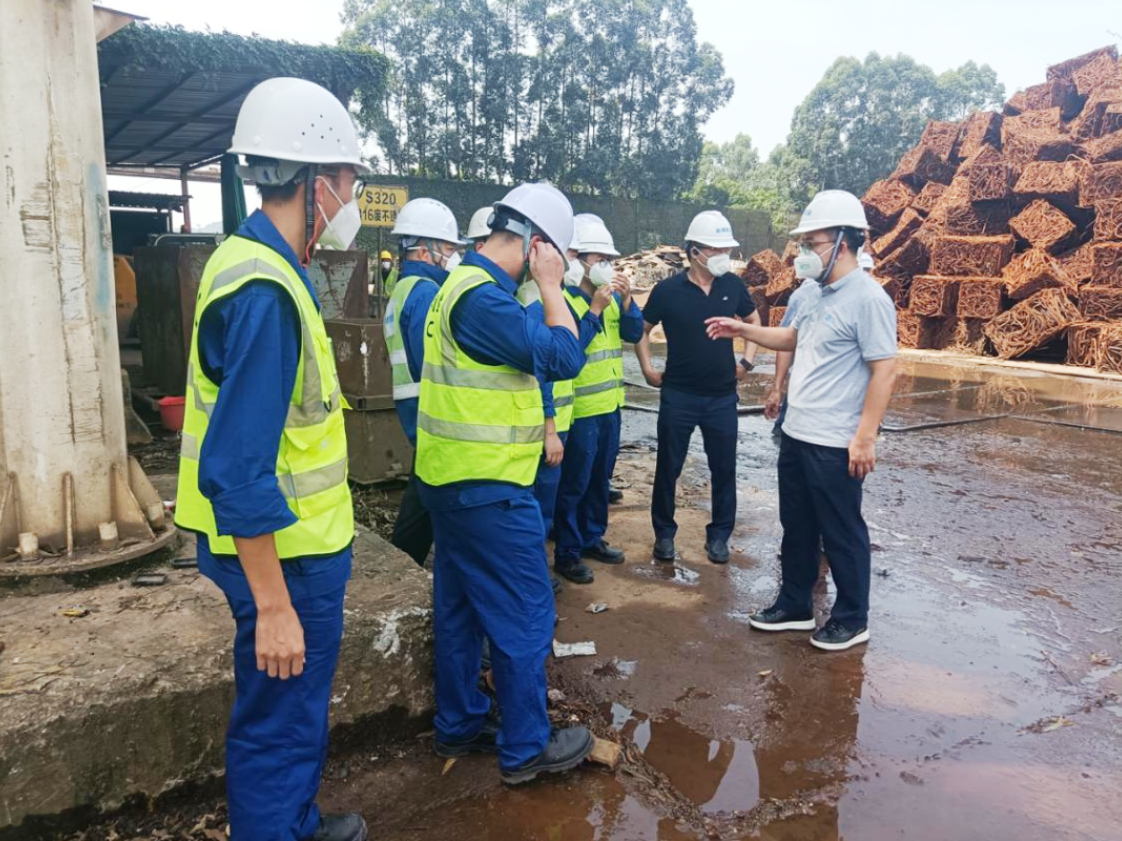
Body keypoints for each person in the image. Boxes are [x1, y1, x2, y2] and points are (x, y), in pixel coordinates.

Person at [174, 78, 368, 841]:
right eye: (350, 181)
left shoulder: (258, 262)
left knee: (293, 712)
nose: (353, 198)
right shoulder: (265, 291)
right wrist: (275, 604)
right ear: (317, 184)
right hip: (281, 557)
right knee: (279, 722)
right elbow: (237, 466)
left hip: (290, 546)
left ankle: (295, 820)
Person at [416, 183, 594, 784]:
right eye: (557, 256)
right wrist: (552, 288)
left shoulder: (464, 286)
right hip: (488, 489)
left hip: (454, 482)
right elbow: (565, 357)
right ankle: (526, 748)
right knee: (524, 614)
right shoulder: (482, 301)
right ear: (538, 244)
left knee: (461, 610)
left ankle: (460, 723)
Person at [705, 190, 898, 652]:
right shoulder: (813, 293)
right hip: (796, 433)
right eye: (804, 244)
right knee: (797, 526)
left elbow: (885, 370)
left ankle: (852, 618)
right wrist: (743, 329)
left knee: (841, 530)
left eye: (813, 244)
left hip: (834, 441)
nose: (803, 253)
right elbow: (791, 337)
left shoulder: (868, 299)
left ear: (844, 243)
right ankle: (795, 603)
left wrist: (865, 437)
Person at [635, 211, 760, 565]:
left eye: (726, 249)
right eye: (716, 249)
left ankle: (719, 536)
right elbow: (642, 329)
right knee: (668, 468)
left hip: (722, 397)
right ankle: (664, 535)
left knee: (724, 469)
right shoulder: (667, 291)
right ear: (694, 251)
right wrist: (647, 368)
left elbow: (753, 321)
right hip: (679, 395)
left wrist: (747, 362)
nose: (723, 255)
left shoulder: (732, 286)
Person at [552, 215, 645, 584]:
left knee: (600, 480)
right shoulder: (565, 302)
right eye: (600, 259)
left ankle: (592, 538)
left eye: (610, 259)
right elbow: (570, 350)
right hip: (581, 411)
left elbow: (634, 333)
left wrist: (626, 300)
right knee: (574, 484)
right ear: (579, 260)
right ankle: (568, 552)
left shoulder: (611, 300)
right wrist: (594, 310)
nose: (607, 265)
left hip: (610, 407)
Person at [382, 199, 468, 567]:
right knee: (439, 496)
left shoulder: (405, 287)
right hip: (431, 409)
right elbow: (435, 363)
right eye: (447, 247)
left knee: (424, 494)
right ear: (423, 249)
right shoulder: (426, 293)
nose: (452, 256)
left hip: (414, 407)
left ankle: (403, 564)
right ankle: (409, 565)